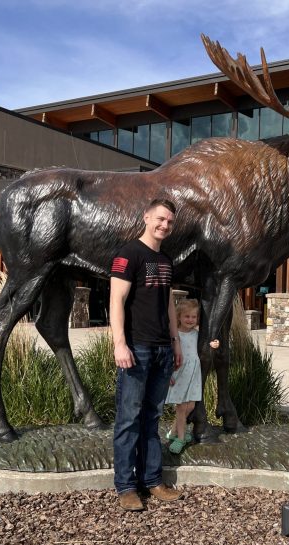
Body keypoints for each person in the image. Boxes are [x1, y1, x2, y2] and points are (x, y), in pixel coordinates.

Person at [109, 198, 183, 511]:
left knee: (152, 418)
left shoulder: (165, 260)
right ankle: (126, 486)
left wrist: (176, 341)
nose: (164, 225)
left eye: (169, 221)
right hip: (136, 349)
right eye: (160, 219)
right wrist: (119, 343)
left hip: (162, 350)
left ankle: (152, 480)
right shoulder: (128, 255)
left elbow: (167, 303)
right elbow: (116, 300)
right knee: (129, 418)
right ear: (146, 217)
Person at [165, 299, 219, 454]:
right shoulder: (175, 335)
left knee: (191, 407)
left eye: (193, 317)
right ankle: (181, 438)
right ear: (179, 317)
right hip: (180, 374)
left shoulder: (197, 334)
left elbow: (206, 344)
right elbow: (169, 355)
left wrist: (213, 344)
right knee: (181, 408)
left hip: (194, 374)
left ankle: (174, 431)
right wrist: (168, 373)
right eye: (186, 316)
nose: (190, 320)